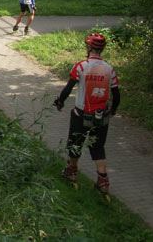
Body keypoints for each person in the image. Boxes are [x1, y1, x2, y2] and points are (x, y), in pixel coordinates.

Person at [53, 32, 120, 197]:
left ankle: (71, 171)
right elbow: (116, 94)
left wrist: (60, 102)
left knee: (76, 143)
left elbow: (68, 88)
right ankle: (103, 181)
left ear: (89, 47)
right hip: (101, 115)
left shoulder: (81, 66)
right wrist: (113, 110)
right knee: (97, 147)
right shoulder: (109, 70)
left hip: (81, 114)